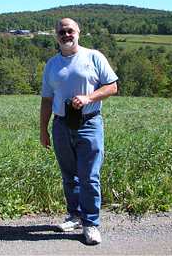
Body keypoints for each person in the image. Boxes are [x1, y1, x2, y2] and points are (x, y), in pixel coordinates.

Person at [39, 18, 118, 245]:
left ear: (78, 32)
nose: (66, 35)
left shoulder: (93, 56)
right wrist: (43, 130)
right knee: (69, 176)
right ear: (56, 36)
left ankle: (91, 223)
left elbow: (112, 86)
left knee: (89, 177)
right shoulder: (52, 65)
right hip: (61, 125)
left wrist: (88, 97)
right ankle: (74, 216)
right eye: (61, 32)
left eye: (70, 30)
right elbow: (46, 100)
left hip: (89, 123)